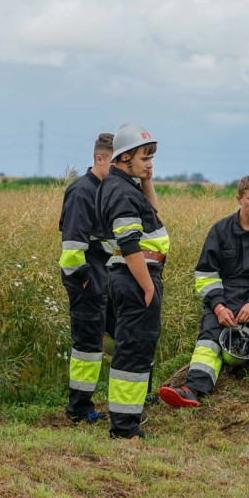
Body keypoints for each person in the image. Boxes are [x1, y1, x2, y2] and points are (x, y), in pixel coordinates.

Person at [159, 176, 249, 406]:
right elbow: (206, 274)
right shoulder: (220, 231)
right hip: (224, 294)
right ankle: (193, 390)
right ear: (239, 199)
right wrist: (218, 307)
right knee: (209, 337)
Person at [95, 123, 169, 439]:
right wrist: (148, 286)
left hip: (134, 276)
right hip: (136, 277)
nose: (150, 163)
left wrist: (147, 180)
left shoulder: (126, 186)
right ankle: (124, 428)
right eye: (144, 158)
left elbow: (153, 214)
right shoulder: (120, 190)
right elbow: (129, 244)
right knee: (133, 351)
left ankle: (128, 420)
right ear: (125, 157)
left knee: (136, 348)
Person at [58, 132, 116, 424]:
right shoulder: (82, 191)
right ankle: (79, 409)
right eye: (114, 163)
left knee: (109, 338)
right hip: (86, 273)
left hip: (102, 270)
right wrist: (83, 279)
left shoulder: (107, 188)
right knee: (88, 346)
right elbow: (72, 247)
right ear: (99, 158)